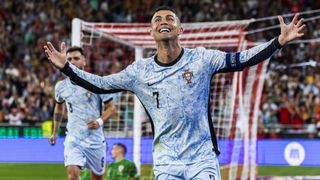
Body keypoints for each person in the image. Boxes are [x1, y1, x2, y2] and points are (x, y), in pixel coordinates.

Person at [44, 6, 305, 180]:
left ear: (180, 29)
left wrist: (278, 42)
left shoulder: (201, 59)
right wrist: (67, 68)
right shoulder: (139, 72)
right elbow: (100, 84)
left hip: (201, 157)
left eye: (170, 19)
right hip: (166, 160)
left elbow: (241, 60)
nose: (163, 22)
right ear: (151, 32)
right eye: (157, 19)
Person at [49, 46, 116, 180]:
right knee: (72, 176)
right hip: (73, 138)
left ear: (84, 61)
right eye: (69, 59)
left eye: (76, 58)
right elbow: (59, 108)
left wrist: (99, 121)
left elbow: (111, 108)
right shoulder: (61, 87)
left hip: (95, 140)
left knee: (97, 178)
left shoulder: (97, 82)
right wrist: (55, 131)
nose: (73, 62)